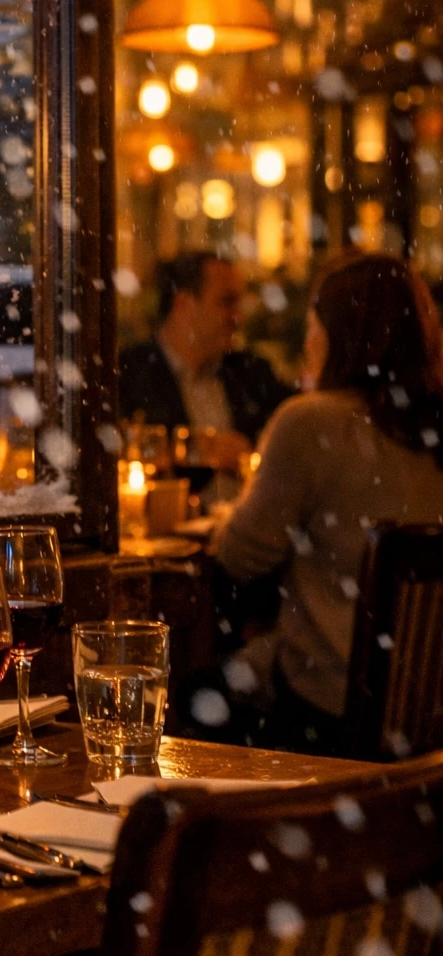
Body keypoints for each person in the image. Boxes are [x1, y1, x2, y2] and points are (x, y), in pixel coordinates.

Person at [210, 253, 443, 752]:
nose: (307, 339)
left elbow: (241, 557)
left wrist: (228, 515)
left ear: (339, 333)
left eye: (313, 323)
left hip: (327, 709)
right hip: (427, 717)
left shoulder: (313, 423)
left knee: (190, 697)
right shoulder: (431, 426)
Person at [119, 251, 290, 466]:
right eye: (227, 302)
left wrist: (251, 452)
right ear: (183, 305)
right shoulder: (128, 374)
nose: (239, 317)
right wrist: (189, 449)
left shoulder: (251, 372)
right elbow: (123, 450)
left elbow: (297, 438)